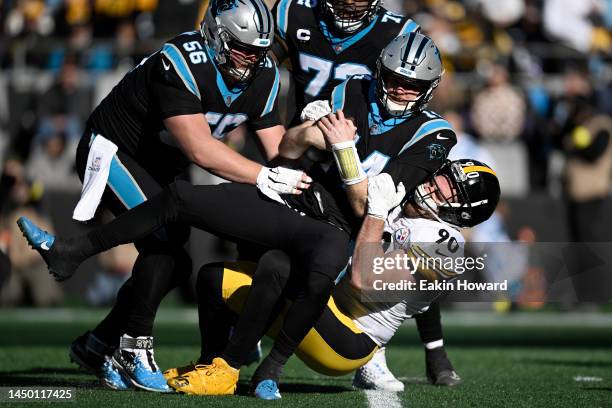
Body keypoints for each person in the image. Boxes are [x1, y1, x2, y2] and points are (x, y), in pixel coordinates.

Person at [18, 32, 454, 397]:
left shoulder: (434, 136)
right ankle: (72, 252)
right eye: (394, 79)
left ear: (429, 90)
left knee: (280, 267)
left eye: (411, 85)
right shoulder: (354, 89)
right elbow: (288, 148)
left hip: (341, 233)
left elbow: (366, 207)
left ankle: (263, 370)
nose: (399, 89)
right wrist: (303, 134)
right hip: (304, 201)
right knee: (182, 199)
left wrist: (341, 149)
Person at [27, 0, 309, 393]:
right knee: (164, 246)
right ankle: (132, 347)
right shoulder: (180, 60)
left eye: (260, 50)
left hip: (162, 163)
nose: (252, 59)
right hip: (115, 150)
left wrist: (309, 141)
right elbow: (200, 150)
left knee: (175, 264)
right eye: (243, 47)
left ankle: (98, 344)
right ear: (215, 35)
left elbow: (277, 149)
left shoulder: (263, 73)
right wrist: (265, 177)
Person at [164, 159, 500, 399]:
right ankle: (209, 367)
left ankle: (257, 368)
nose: (433, 185)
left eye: (447, 190)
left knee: (281, 268)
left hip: (349, 339)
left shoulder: (446, 246)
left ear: (463, 211)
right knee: (212, 279)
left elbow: (364, 280)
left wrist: (378, 212)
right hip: (318, 302)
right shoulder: (406, 198)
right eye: (441, 176)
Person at [271, 0, 420, 123]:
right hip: (290, 123)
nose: (349, 2)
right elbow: (263, 68)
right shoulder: (295, 11)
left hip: (358, 133)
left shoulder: (398, 34)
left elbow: (405, 100)